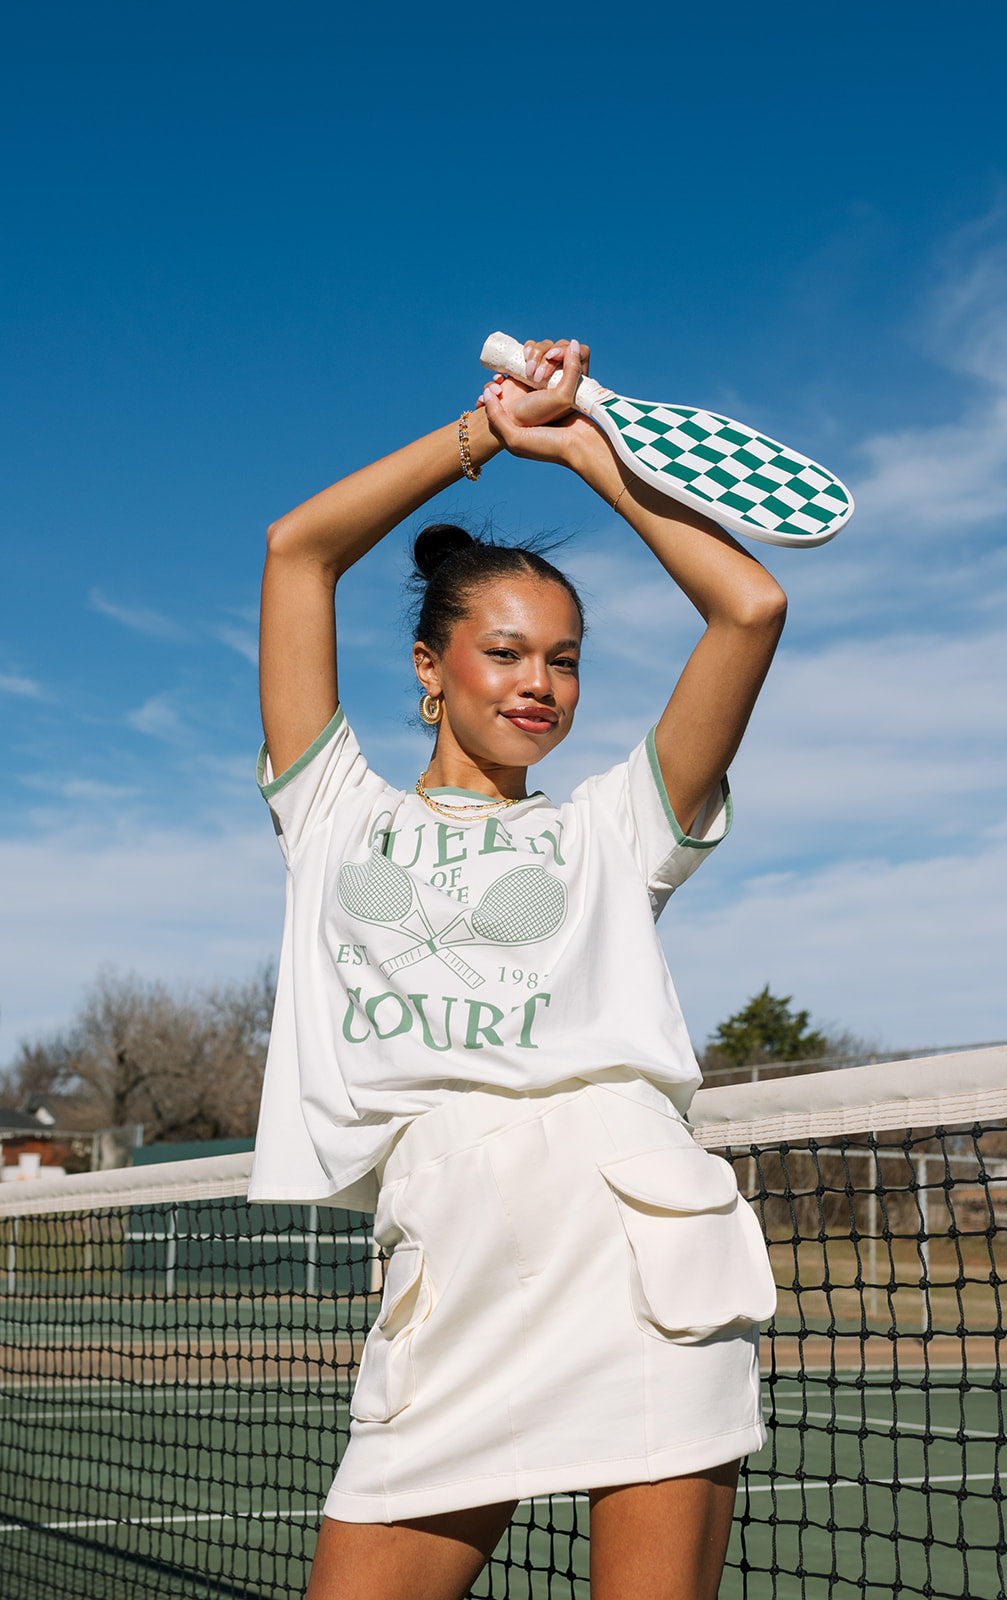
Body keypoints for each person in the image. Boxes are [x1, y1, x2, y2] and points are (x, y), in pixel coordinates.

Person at [251, 337, 787, 1600]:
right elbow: (297, 550)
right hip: (451, 1267)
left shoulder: (614, 826)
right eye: (503, 652)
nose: (539, 684)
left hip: (639, 1259)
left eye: (563, 656)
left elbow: (749, 607)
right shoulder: (331, 810)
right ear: (429, 669)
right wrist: (485, 435)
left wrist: (588, 453)